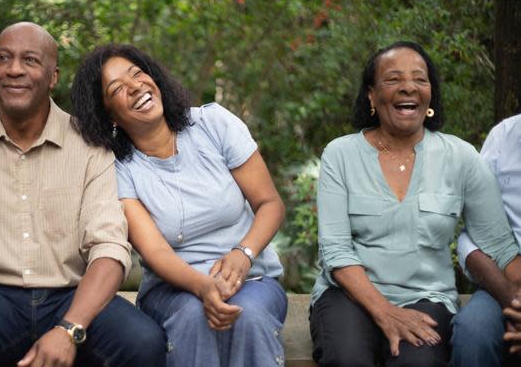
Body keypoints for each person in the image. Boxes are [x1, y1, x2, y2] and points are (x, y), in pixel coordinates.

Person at [0, 22, 166, 367]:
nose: (14, 69)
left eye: (29, 60)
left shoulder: (90, 147)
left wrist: (69, 328)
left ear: (53, 77)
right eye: (4, 59)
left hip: (73, 295)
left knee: (143, 342)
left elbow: (109, 248)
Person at [69, 44, 287, 367]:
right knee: (193, 317)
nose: (135, 87)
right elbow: (155, 253)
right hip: (173, 291)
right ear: (109, 115)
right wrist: (203, 286)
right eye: (117, 89)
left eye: (138, 74)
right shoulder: (118, 169)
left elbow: (270, 204)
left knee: (250, 316)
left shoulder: (213, 124)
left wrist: (244, 254)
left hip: (251, 278)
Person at [309, 41, 520, 367]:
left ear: (430, 94)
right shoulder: (341, 154)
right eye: (393, 79)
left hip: (427, 298)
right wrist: (386, 312)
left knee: (418, 363)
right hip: (348, 297)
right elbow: (336, 254)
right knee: (347, 357)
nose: (408, 87)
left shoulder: (461, 157)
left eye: (420, 80)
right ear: (371, 95)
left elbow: (500, 246)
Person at [451, 112, 521, 367]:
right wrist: (510, 295)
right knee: (472, 332)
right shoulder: (503, 137)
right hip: (503, 278)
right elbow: (472, 232)